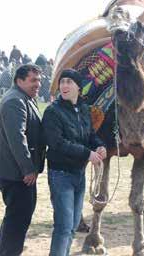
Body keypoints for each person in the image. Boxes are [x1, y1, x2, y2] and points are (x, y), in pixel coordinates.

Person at [42, 69, 106, 256]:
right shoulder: (53, 112)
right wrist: (88, 154)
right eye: (62, 82)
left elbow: (90, 135)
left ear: (79, 87)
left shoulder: (84, 110)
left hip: (79, 175)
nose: (64, 86)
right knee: (63, 227)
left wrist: (99, 146)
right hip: (60, 174)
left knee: (71, 227)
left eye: (69, 82)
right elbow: (57, 143)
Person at [0, 64, 46, 256]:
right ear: (19, 81)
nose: (38, 84)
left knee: (15, 218)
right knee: (18, 222)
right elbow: (17, 139)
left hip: (16, 172)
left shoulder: (24, 98)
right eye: (33, 80)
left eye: (39, 80)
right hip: (15, 174)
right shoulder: (15, 101)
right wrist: (28, 169)